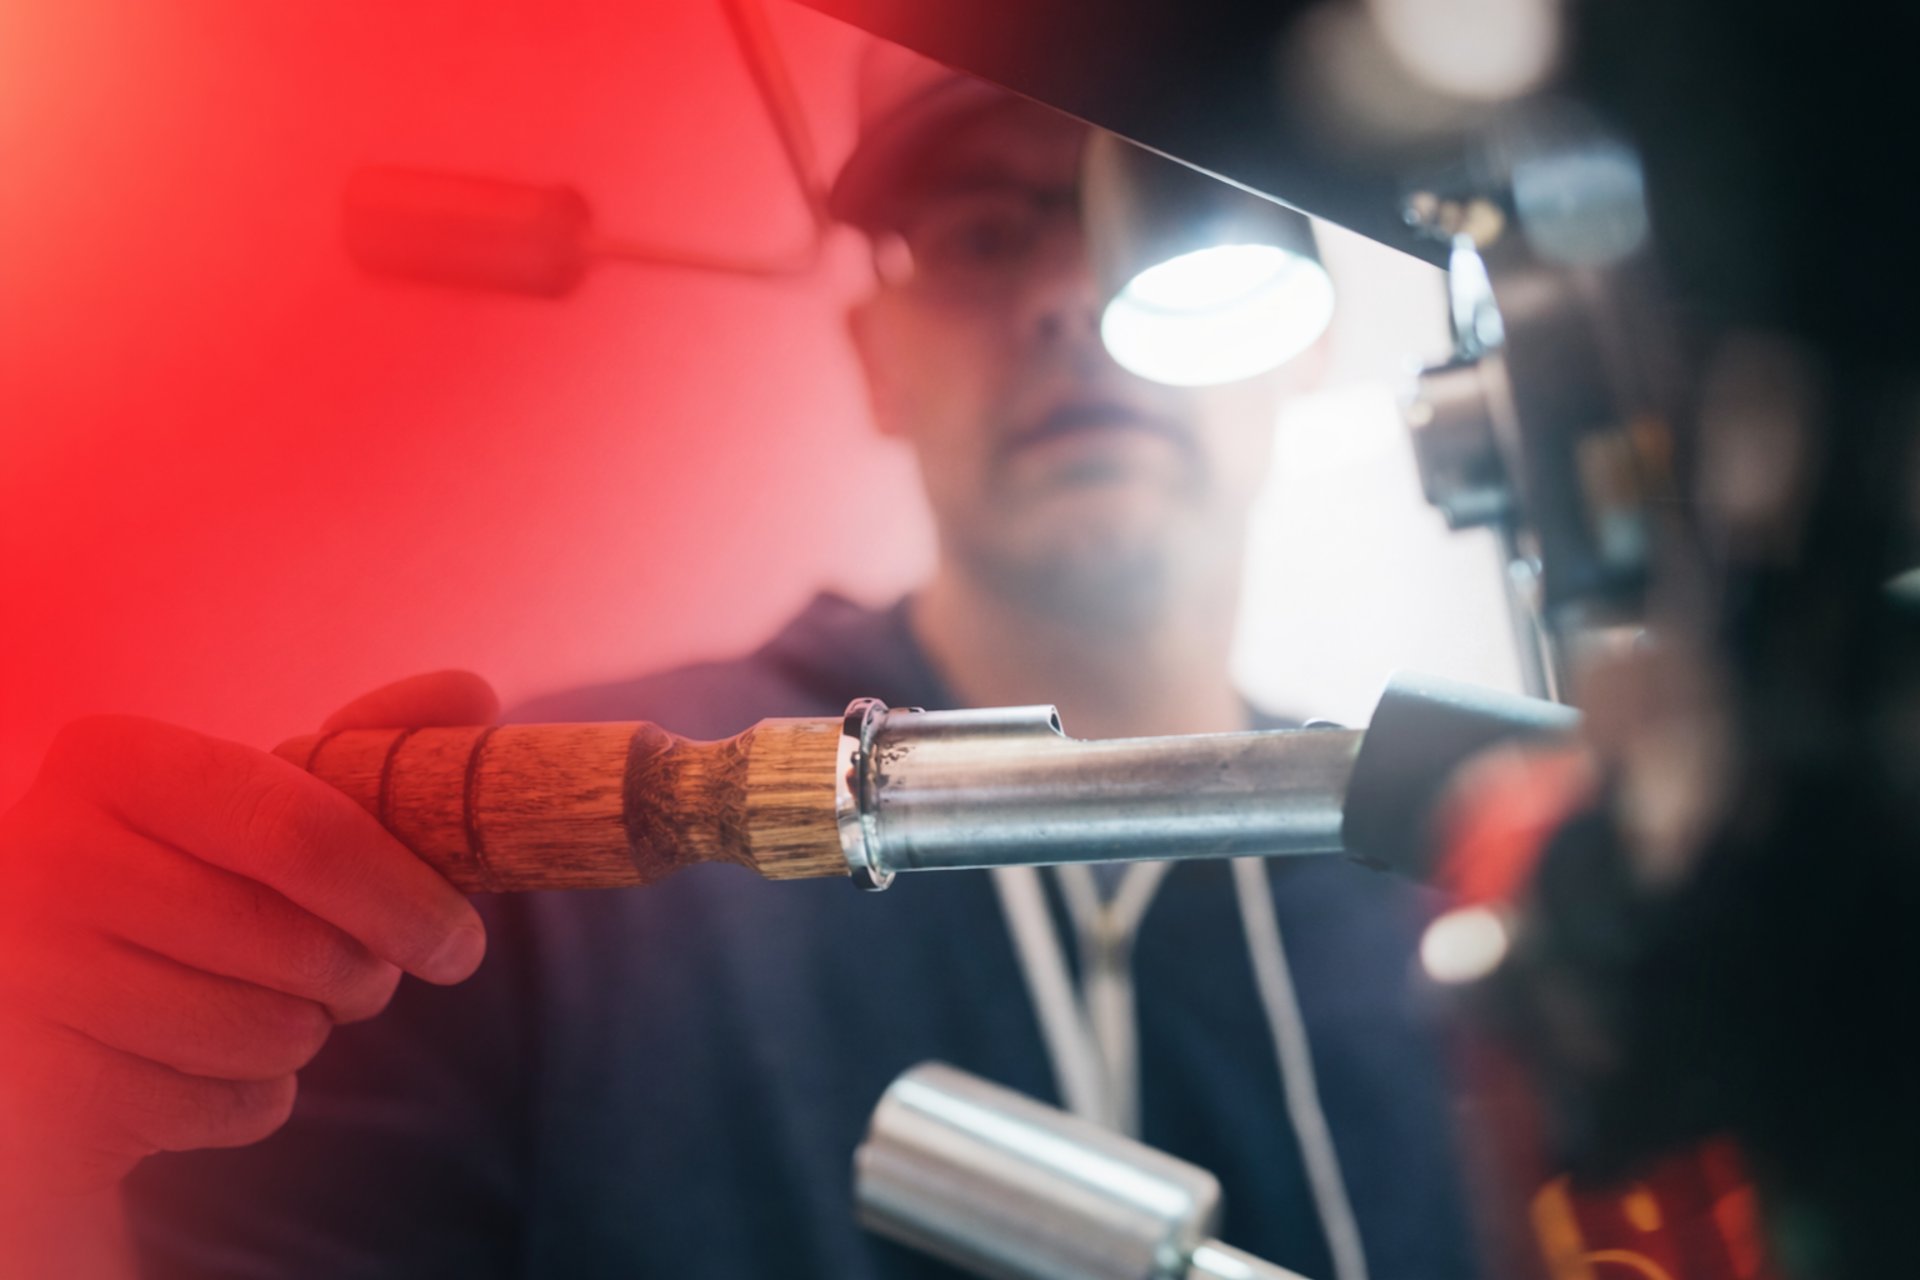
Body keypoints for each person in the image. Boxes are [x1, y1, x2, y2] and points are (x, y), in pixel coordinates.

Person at [0, 45, 1475, 1280]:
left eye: (1166, 223)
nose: (1069, 298)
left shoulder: (1471, 897)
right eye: (984, 232)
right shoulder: (536, 886)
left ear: (1307, 339)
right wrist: (38, 1164)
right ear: (876, 357)